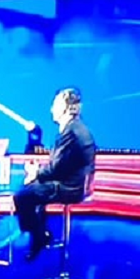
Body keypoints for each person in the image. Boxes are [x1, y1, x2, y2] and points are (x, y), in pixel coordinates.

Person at [13, 87, 96, 261]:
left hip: (69, 188)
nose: (52, 109)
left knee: (22, 196)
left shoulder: (71, 133)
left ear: (67, 107)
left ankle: (38, 237)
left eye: (56, 104)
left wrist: (35, 173)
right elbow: (62, 165)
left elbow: (56, 169)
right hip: (72, 183)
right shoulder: (75, 128)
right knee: (34, 190)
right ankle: (40, 232)